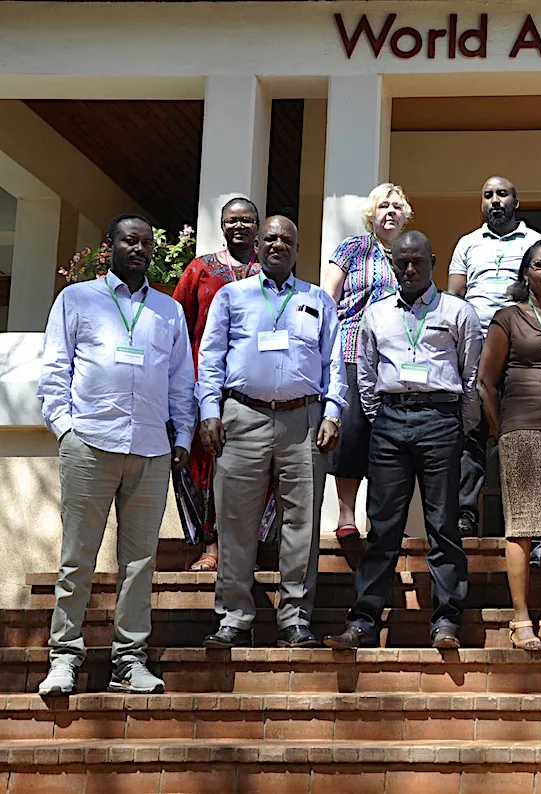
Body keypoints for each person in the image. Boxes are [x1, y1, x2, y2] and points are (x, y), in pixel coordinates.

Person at [36, 214, 195, 696]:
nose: (139, 249)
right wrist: (65, 429)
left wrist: (182, 437)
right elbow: (53, 370)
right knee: (77, 558)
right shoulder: (77, 299)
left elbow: (181, 383)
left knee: (140, 562)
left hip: (150, 449)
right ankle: (64, 656)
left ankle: (130, 659)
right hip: (90, 442)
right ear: (111, 247)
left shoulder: (168, 312)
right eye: (130, 241)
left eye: (147, 243)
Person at [325, 231, 482, 651]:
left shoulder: (459, 312)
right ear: (391, 265)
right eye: (401, 263)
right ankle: (364, 622)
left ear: (433, 260)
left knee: (443, 525)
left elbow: (469, 377)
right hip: (391, 422)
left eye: (417, 261)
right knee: (383, 527)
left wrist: (456, 425)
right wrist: (384, 420)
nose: (409, 270)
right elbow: (367, 375)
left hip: (441, 419)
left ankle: (446, 621)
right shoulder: (376, 315)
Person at [198, 216, 345, 650]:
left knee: (302, 524)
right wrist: (209, 410)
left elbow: (334, 362)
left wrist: (333, 411)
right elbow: (210, 357)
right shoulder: (232, 297)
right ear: (258, 246)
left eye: (287, 240)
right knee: (235, 521)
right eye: (271, 238)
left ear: (297, 250)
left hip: (304, 422)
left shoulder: (318, 299)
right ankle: (234, 618)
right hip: (242, 418)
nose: (278, 244)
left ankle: (295, 619)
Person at [476, 240, 541, 650]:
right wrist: (502, 429)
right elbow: (486, 381)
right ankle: (520, 619)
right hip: (521, 431)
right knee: (521, 529)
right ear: (526, 273)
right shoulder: (508, 318)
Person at [448, 176, 541, 537]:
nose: (495, 200)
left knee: (523, 433)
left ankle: (525, 518)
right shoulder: (467, 244)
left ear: (516, 202)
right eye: (488, 195)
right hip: (476, 348)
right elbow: (455, 297)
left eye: (502, 194)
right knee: (472, 431)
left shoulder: (535, 242)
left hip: (521, 349)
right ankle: (465, 514)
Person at [172, 197, 264, 572]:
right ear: (222, 226)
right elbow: (178, 322)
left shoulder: (269, 272)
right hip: (204, 386)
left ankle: (245, 548)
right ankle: (210, 547)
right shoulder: (201, 269)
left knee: (254, 471)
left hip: (253, 390)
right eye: (231, 220)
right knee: (205, 466)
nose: (239, 226)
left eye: (246, 220)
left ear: (257, 226)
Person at [322, 183, 411, 539]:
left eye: (397, 206)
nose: (390, 211)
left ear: (405, 216)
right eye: (383, 206)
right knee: (353, 436)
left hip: (394, 362)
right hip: (351, 353)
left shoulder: (409, 252)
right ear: (370, 215)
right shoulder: (354, 248)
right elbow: (328, 300)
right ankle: (346, 517)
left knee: (389, 444)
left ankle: (382, 523)